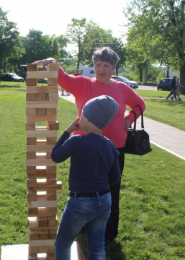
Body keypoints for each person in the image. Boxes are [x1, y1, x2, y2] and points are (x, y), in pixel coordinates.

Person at [33, 47, 146, 248]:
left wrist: (129, 118)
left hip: (114, 149)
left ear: (113, 67)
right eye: (97, 65)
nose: (101, 70)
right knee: (83, 190)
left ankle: (108, 235)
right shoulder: (83, 84)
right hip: (84, 147)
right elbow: (62, 77)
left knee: (111, 191)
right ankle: (84, 226)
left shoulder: (121, 88)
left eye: (106, 65)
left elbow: (140, 105)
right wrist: (53, 63)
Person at [37, 96, 121, 260]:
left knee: (63, 243)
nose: (79, 117)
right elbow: (115, 177)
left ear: (89, 120)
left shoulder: (77, 141)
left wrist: (67, 131)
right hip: (104, 201)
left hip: (80, 202)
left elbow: (55, 155)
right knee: (97, 246)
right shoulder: (110, 145)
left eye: (82, 114)